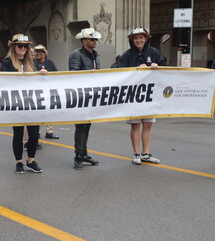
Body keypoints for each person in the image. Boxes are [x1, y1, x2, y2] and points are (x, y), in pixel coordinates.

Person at [113, 27, 166, 165]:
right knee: (135, 125)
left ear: (146, 39)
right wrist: (135, 69)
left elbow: (165, 66)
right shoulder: (127, 55)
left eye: (141, 37)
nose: (138, 40)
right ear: (132, 40)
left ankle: (145, 153)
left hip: (150, 94)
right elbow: (116, 69)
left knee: (148, 124)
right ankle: (136, 153)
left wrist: (157, 66)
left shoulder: (154, 52)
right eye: (135, 38)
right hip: (134, 95)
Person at [0, 34, 48, 174]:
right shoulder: (7, 62)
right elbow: (3, 81)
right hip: (16, 103)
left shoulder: (32, 62)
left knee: (34, 134)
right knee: (18, 133)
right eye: (20, 46)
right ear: (14, 47)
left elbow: (40, 77)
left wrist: (42, 74)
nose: (23, 48)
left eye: (25, 46)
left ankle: (31, 160)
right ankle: (19, 162)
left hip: (32, 103)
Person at [68, 28, 101, 169]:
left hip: (92, 94)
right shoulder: (76, 55)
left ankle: (84, 153)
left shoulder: (95, 55)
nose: (95, 41)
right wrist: (90, 73)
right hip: (81, 95)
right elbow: (74, 74)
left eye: (95, 39)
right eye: (92, 39)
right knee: (81, 126)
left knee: (87, 125)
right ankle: (78, 156)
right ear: (84, 41)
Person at [34, 44, 59, 140]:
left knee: (49, 111)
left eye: (40, 51)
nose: (38, 53)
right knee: (39, 112)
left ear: (45, 53)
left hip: (48, 91)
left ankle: (49, 131)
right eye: (36, 51)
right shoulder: (32, 63)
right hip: (37, 92)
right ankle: (37, 133)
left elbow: (56, 74)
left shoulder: (50, 63)